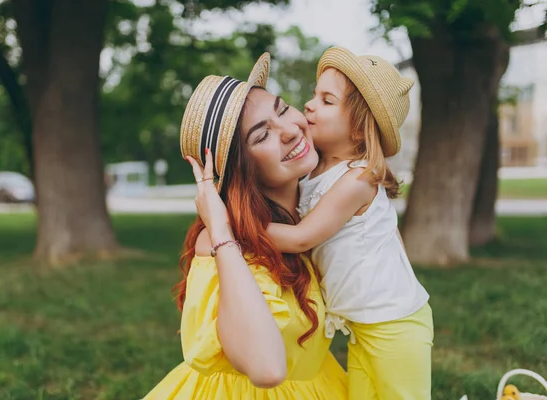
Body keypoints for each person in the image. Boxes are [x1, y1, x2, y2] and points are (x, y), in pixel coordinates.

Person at [142, 53, 349, 399]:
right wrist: (221, 231)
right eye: (261, 135)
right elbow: (267, 368)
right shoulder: (222, 244)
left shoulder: (315, 210)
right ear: (242, 170)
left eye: (282, 110)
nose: (289, 130)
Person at [266, 46, 434, 399]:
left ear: (359, 130)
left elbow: (300, 238)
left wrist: (237, 229)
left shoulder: (357, 180)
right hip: (363, 325)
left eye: (327, 101)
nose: (310, 105)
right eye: (314, 95)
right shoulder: (313, 173)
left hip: (395, 324)